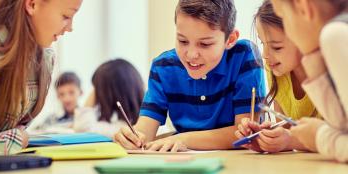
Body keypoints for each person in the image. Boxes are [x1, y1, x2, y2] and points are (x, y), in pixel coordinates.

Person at [114, 0, 266, 152]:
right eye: (183, 41)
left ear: (230, 39)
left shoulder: (244, 56)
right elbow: (144, 132)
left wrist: (181, 138)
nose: (191, 55)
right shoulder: (163, 67)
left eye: (205, 44)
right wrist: (132, 138)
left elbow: (244, 134)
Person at [0, 0, 82, 155]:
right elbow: (17, 136)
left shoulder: (45, 59)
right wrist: (15, 140)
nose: (70, 28)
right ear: (32, 4)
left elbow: (17, 128)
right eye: (66, 16)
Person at [235, 0, 319, 153]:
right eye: (262, 44)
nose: (265, 55)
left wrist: (290, 140)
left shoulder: (328, 72)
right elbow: (286, 130)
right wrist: (267, 137)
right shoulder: (276, 69)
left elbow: (338, 137)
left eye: (276, 47)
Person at [270, 0, 348, 162]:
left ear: (303, 7)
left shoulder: (336, 33)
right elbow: (343, 126)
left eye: (283, 16)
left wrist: (319, 137)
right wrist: (313, 59)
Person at [73, 59, 144, 138]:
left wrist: (96, 88)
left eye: (97, 89)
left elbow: (83, 128)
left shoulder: (121, 129)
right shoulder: (125, 122)